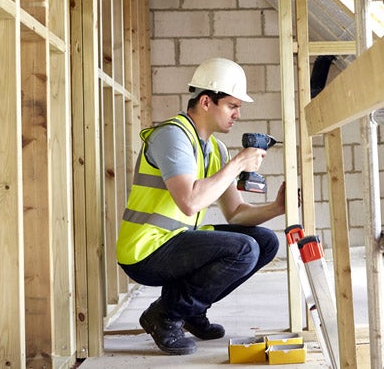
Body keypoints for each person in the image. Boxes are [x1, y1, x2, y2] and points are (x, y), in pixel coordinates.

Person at [116, 57, 284, 355]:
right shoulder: (172, 136)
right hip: (146, 250)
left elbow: (237, 212)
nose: (238, 114)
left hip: (176, 243)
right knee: (243, 249)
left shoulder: (214, 148)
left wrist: (277, 207)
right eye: (232, 106)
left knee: (265, 241)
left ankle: (191, 311)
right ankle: (166, 315)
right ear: (207, 102)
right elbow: (190, 201)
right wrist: (238, 164)